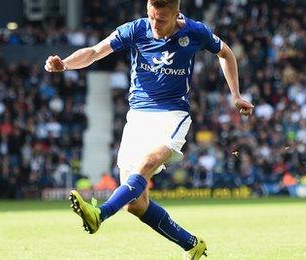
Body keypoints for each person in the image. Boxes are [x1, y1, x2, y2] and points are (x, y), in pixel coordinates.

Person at [44, 0, 253, 259]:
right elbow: (96, 52)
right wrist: (64, 64)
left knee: (146, 163)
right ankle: (192, 244)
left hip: (173, 114)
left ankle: (100, 214)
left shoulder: (195, 31)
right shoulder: (136, 30)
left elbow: (226, 53)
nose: (155, 24)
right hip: (138, 117)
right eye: (152, 17)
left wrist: (235, 95)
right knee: (135, 204)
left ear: (176, 15)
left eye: (162, 20)